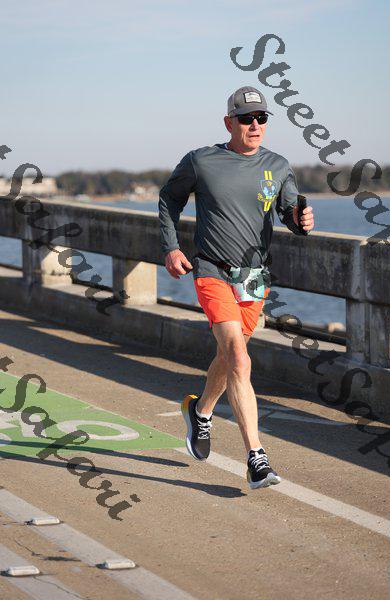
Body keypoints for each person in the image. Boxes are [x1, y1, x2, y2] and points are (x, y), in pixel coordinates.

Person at [158, 86, 314, 489]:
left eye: (261, 118)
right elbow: (169, 199)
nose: (255, 125)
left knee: (230, 357)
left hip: (254, 276)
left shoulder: (277, 166)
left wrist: (301, 221)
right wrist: (171, 248)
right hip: (212, 270)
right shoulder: (201, 160)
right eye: (246, 119)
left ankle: (200, 411)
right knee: (241, 362)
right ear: (229, 122)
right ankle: (256, 459)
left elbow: (289, 213)